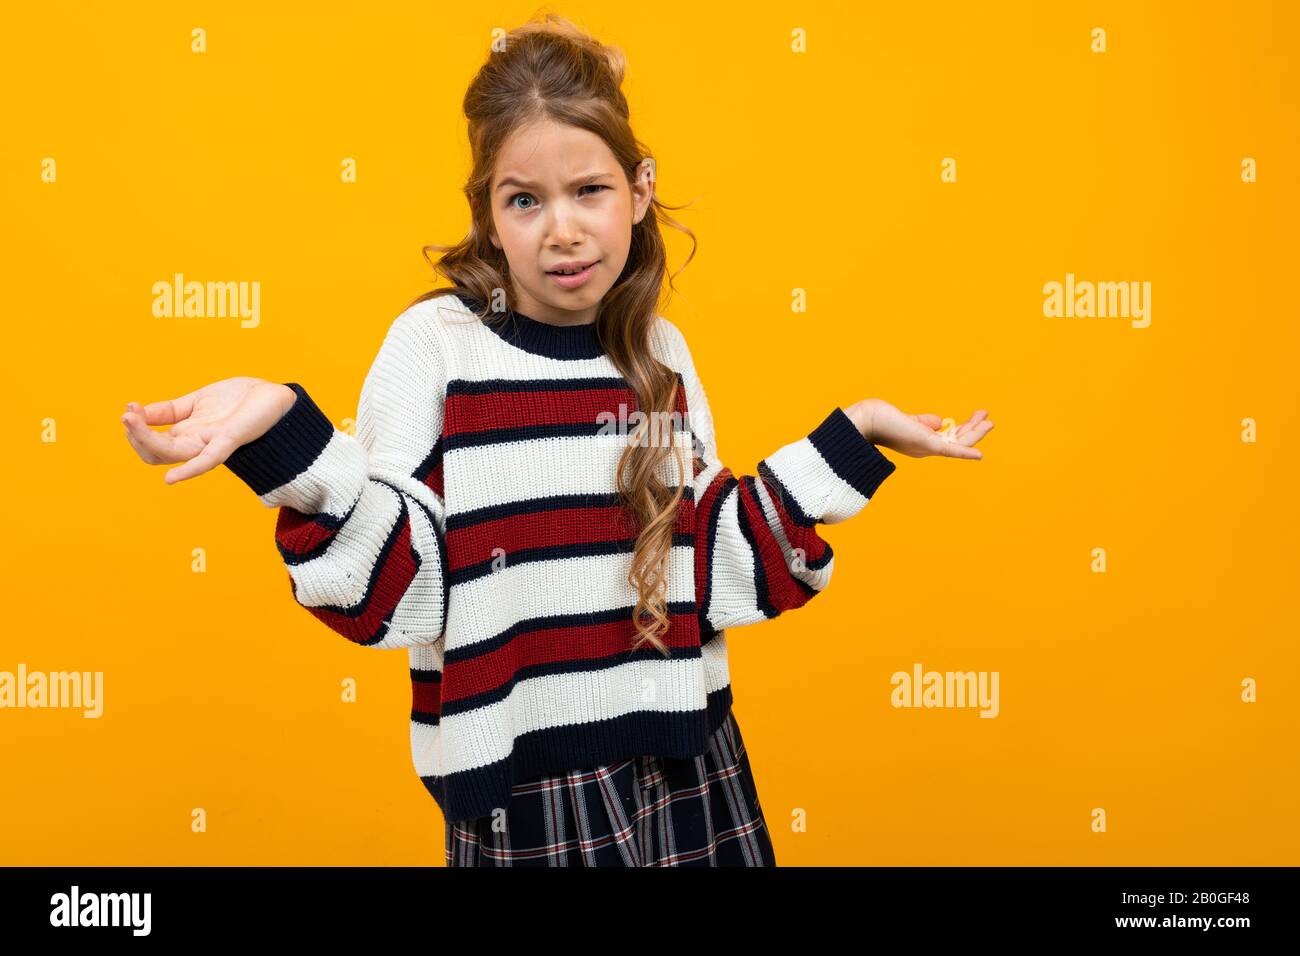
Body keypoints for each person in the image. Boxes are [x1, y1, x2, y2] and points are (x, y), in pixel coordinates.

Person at [120, 14, 994, 867]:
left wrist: (857, 437)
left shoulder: (659, 352)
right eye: (525, 200)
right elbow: (401, 588)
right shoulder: (434, 349)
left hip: (689, 761)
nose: (562, 230)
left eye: (590, 191)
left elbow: (710, 561)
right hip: (528, 798)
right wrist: (287, 438)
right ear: (489, 214)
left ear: (641, 191)